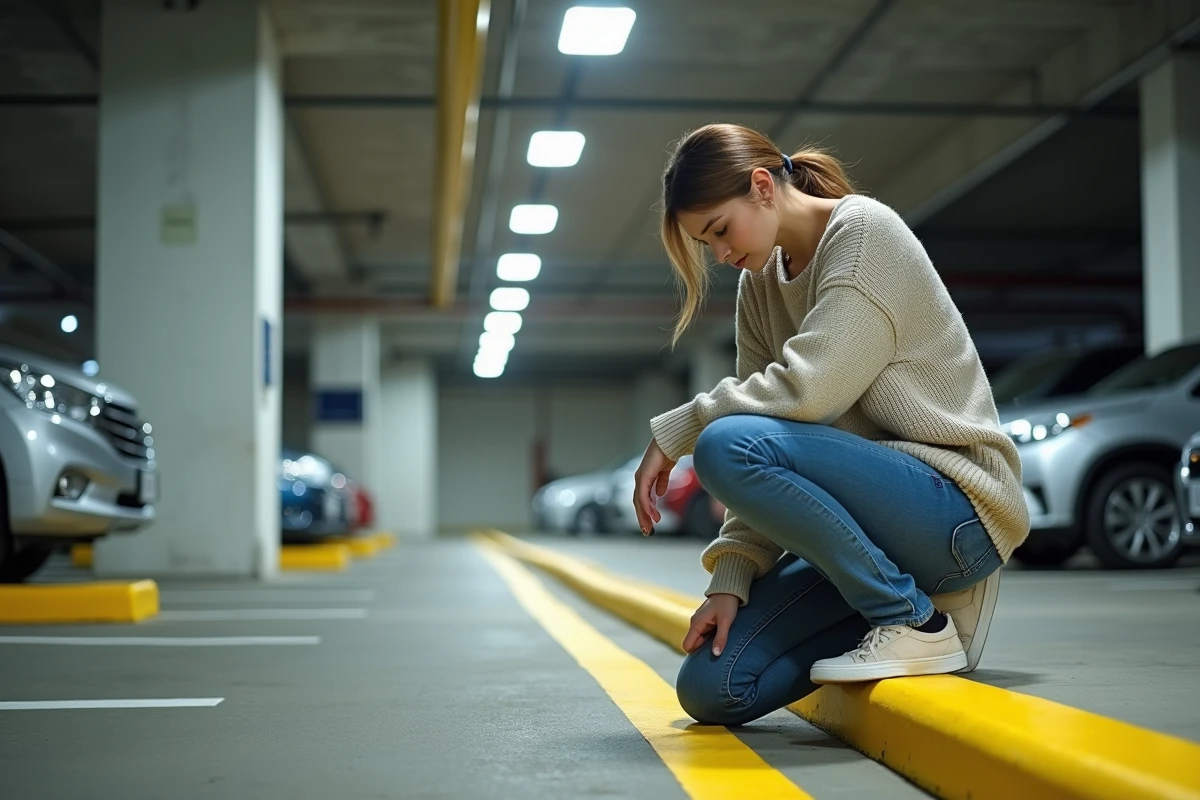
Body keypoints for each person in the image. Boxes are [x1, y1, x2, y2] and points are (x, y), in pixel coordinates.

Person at [630, 123, 1029, 727]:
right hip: (875, 534)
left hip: (955, 510)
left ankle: (914, 622)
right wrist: (731, 579)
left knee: (721, 443)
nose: (720, 253)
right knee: (714, 687)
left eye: (720, 231)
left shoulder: (866, 235)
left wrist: (680, 428)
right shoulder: (758, 287)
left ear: (762, 186)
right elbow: (762, 426)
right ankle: (904, 611)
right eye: (705, 243)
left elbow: (809, 391)